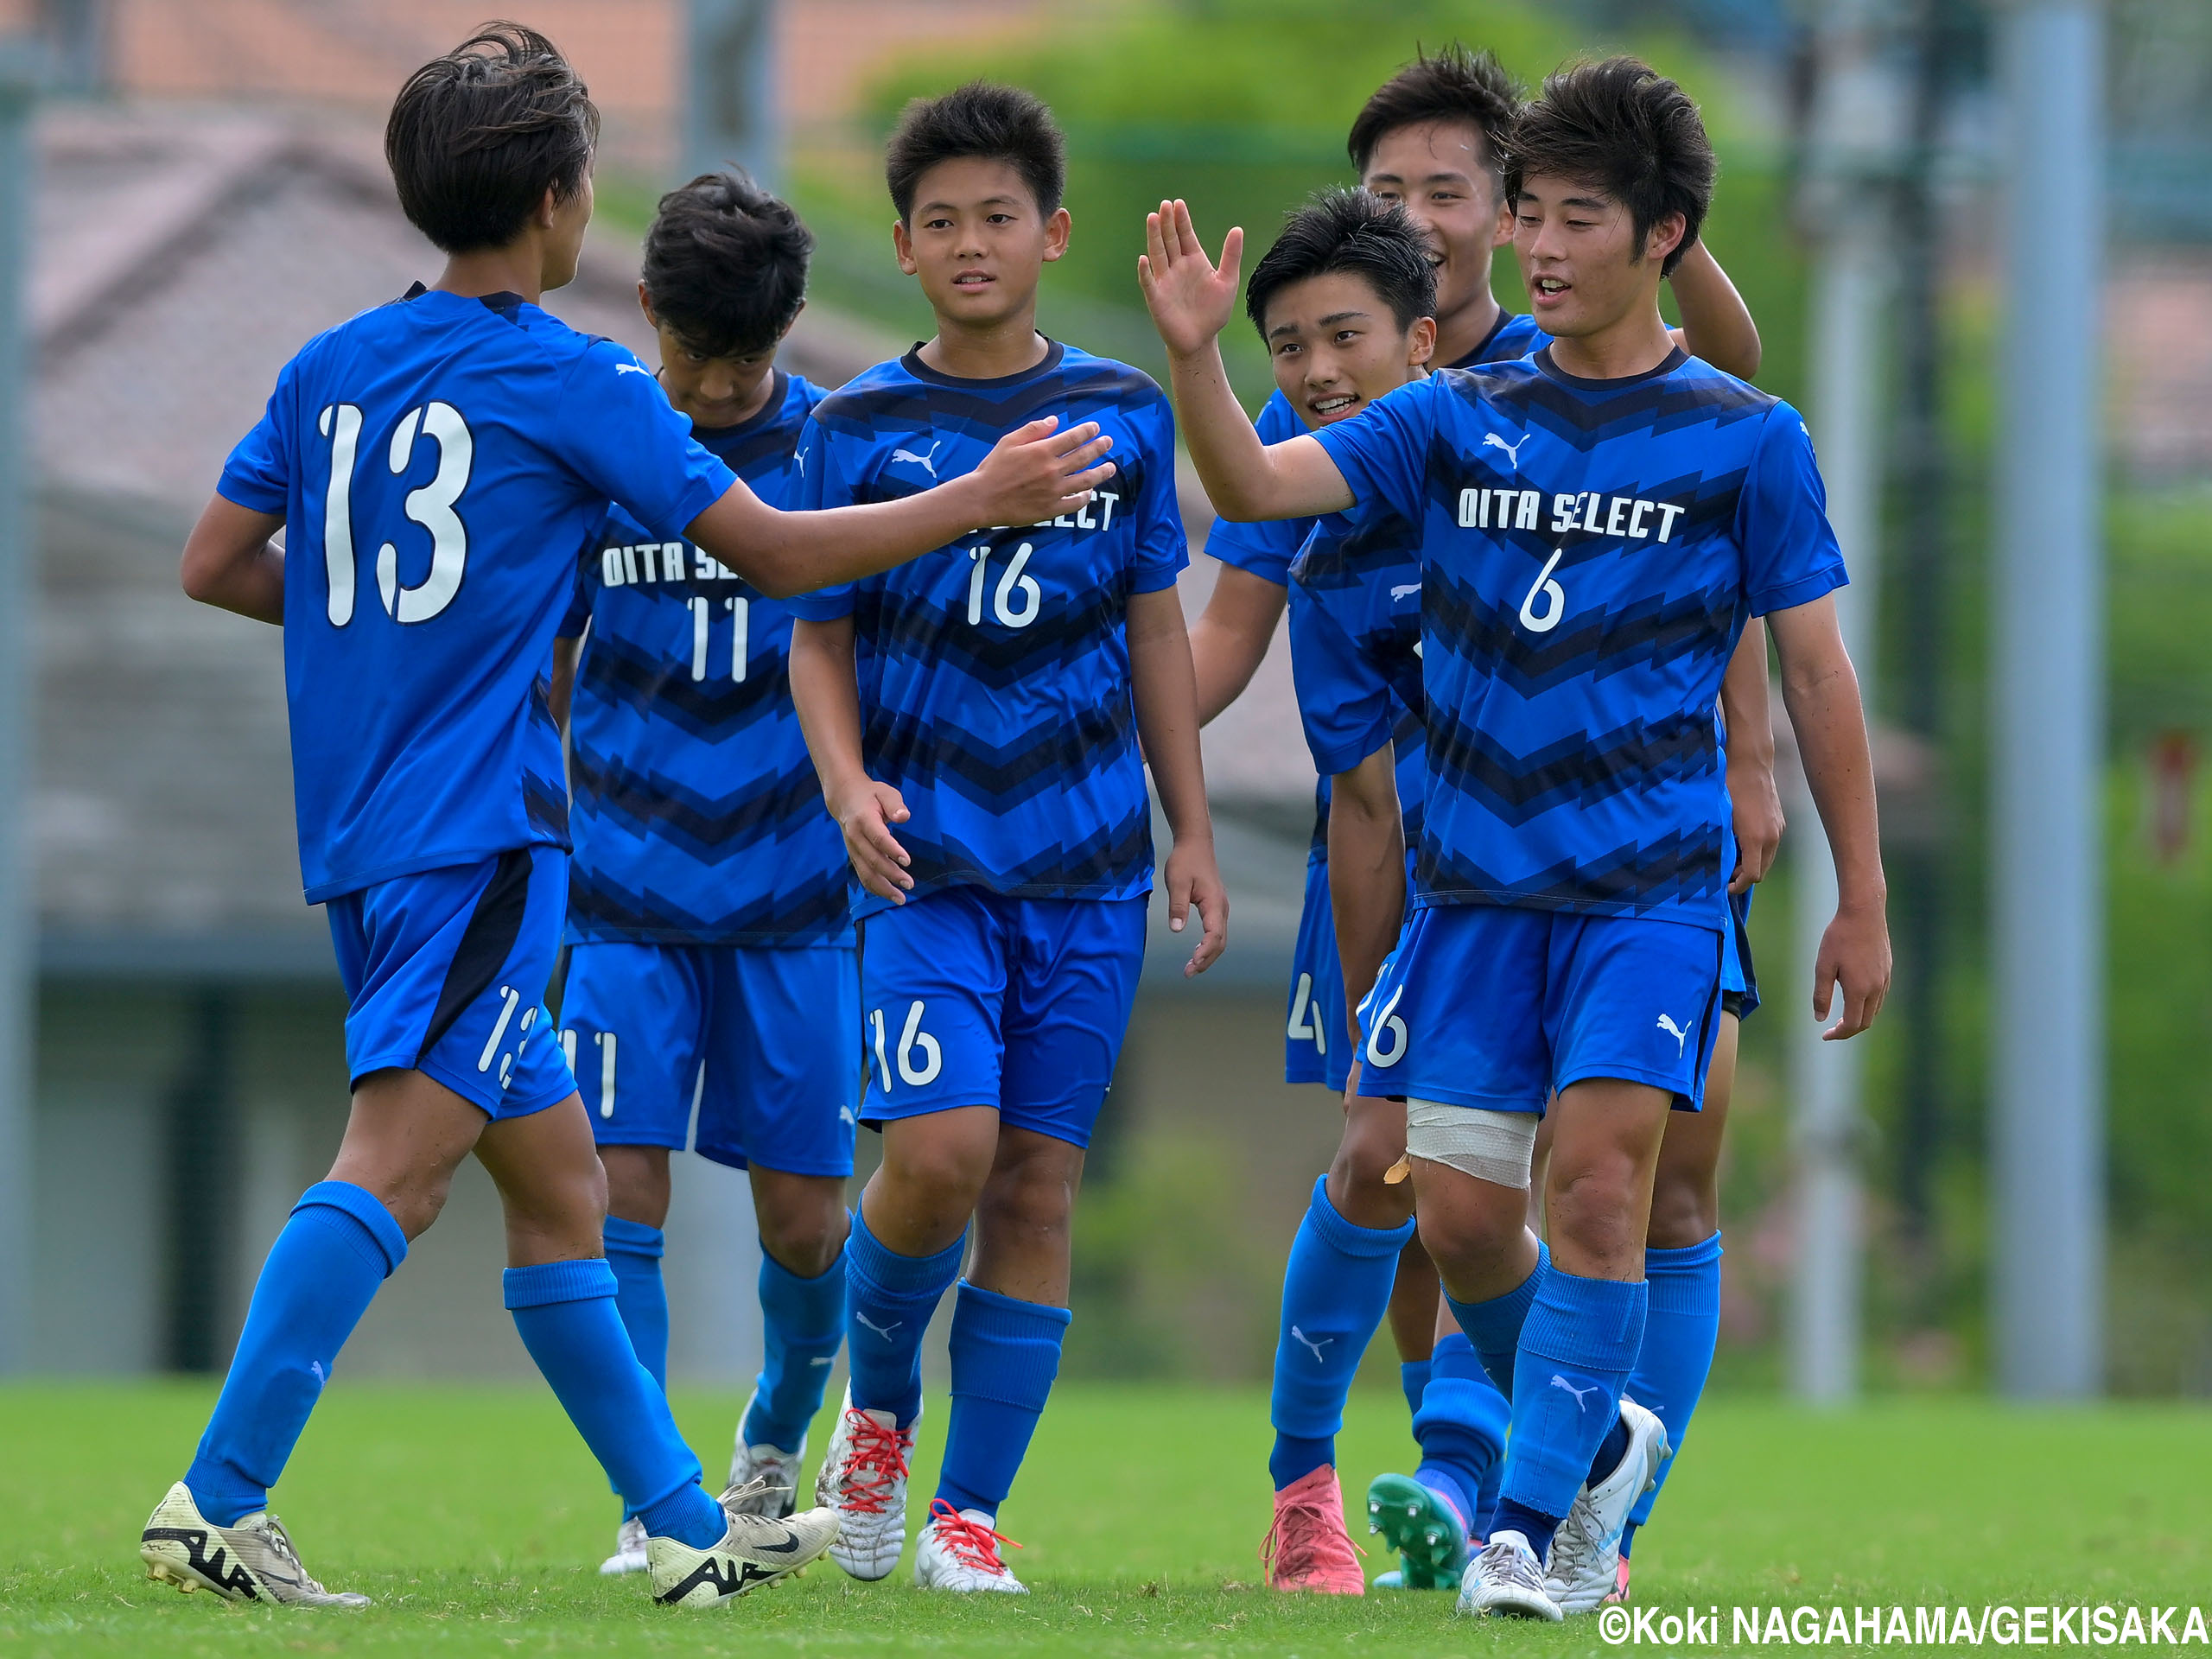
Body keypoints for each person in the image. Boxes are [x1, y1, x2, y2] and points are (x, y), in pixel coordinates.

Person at [137, 26, 1114, 1612]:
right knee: (394, 1165)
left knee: (563, 1189)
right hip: (490, 843)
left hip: (370, 831)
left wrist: (400, 655)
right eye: (587, 179)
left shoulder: (328, 365)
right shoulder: (570, 375)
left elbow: (217, 564)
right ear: (547, 200)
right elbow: (784, 559)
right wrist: (978, 498)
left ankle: (677, 1521)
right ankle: (220, 1498)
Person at [1137, 53, 1889, 1624]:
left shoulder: (1746, 440)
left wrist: (1857, 895)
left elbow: (1816, 667)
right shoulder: (1452, 415)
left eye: (1575, 218)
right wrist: (1202, 362)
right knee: (1464, 1214)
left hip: (1648, 896)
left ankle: (1539, 1529)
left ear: (1664, 233)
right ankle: (1592, 1430)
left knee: (1607, 1185)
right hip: (1468, 899)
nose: (1537, 248)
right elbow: (1256, 481)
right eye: (1529, 214)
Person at [787, 81, 1227, 1595]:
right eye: (937, 223)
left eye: (997, 218)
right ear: (900, 250)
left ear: (1051, 233)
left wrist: (1190, 827)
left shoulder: (1121, 411)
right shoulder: (854, 425)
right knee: (938, 1158)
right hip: (927, 869)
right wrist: (846, 787)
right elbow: (816, 637)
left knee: (1036, 1191)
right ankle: (881, 1412)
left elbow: (1156, 627)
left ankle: (967, 1518)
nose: (970, 244)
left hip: (1089, 867)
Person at [546, 170, 858, 1578]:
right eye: (697, 356)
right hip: (628, 897)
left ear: (787, 329)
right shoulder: (602, 442)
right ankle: (655, 1502)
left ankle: (780, 1426)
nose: (721, 386)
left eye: (748, 360)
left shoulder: (836, 454)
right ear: (649, 311)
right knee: (620, 1193)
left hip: (796, 903)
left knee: (806, 1222)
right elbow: (544, 650)